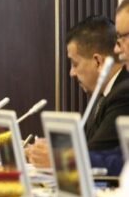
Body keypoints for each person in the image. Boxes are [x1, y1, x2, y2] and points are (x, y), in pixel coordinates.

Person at [27, 15, 129, 175]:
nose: (71, 73)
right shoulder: (103, 94)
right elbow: (86, 145)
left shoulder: (123, 93)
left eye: (75, 64)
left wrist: (58, 156)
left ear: (98, 61)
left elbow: (98, 152)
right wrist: (47, 150)